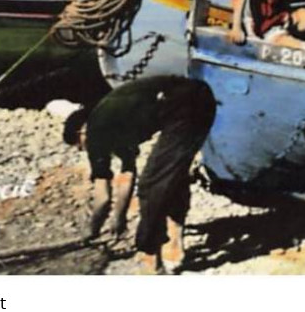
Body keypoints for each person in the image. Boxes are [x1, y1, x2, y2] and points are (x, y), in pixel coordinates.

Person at [63, 75, 217, 274]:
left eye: (79, 146)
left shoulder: (95, 130)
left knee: (151, 186)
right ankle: (175, 243)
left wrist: (92, 231)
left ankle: (152, 260)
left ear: (80, 132)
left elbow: (103, 197)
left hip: (184, 108)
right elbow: (127, 177)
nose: (82, 150)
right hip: (200, 99)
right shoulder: (113, 120)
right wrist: (119, 219)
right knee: (172, 176)